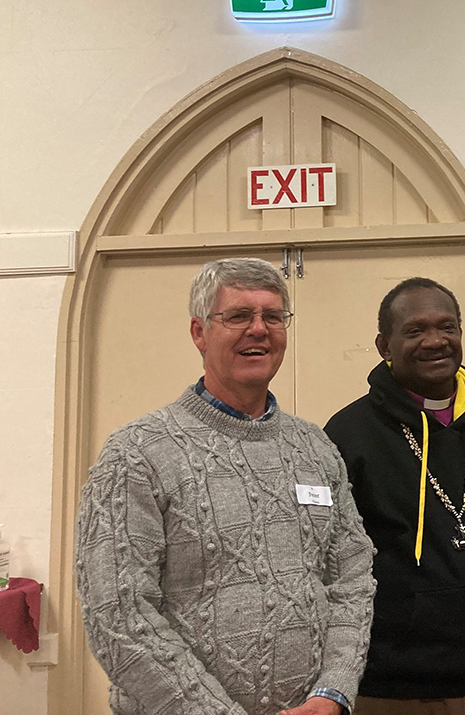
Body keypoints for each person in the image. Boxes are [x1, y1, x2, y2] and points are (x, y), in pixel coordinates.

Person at [75, 257, 375, 715]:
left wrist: (332, 692)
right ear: (198, 332)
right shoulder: (136, 453)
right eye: (238, 316)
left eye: (272, 316)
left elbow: (352, 581)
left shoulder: (316, 448)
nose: (259, 329)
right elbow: (118, 616)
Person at [324, 278, 465, 714]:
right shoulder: (349, 434)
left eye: (447, 326)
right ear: (384, 345)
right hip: (397, 684)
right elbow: (334, 559)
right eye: (415, 330)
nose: (435, 341)